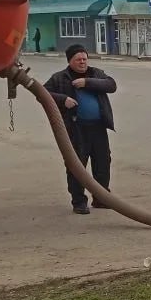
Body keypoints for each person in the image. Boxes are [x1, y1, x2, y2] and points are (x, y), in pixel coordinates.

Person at [44, 44, 118, 215]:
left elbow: (111, 85)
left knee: (103, 163)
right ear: (70, 61)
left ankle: (101, 198)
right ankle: (79, 201)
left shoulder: (95, 73)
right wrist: (63, 100)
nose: (83, 62)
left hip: (98, 128)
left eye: (84, 58)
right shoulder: (60, 78)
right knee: (77, 165)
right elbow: (43, 94)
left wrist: (87, 82)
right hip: (76, 129)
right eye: (78, 59)